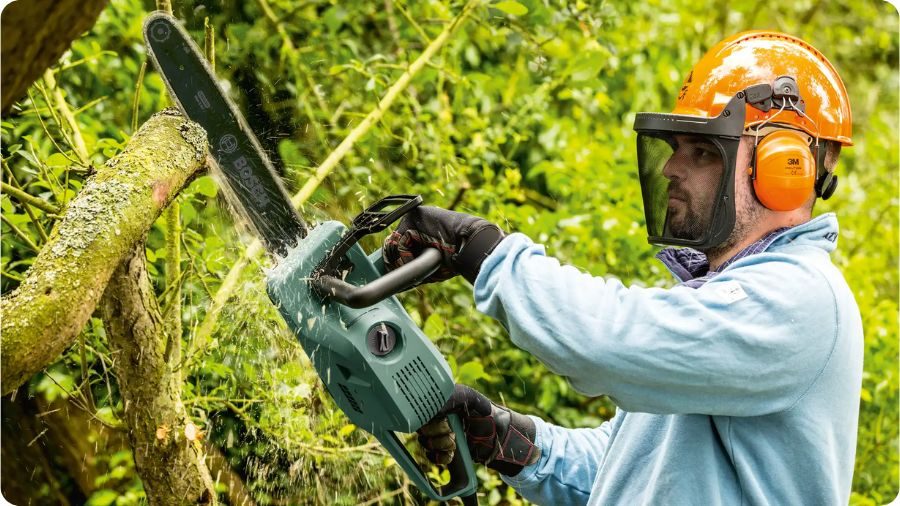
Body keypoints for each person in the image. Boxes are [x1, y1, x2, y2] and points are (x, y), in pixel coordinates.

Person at [382, 31, 863, 504]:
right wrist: (510, 440)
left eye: (701, 152)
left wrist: (482, 249)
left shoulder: (801, 299)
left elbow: (608, 340)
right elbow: (633, 469)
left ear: (785, 167)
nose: (671, 169)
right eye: (675, 147)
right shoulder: (717, 301)